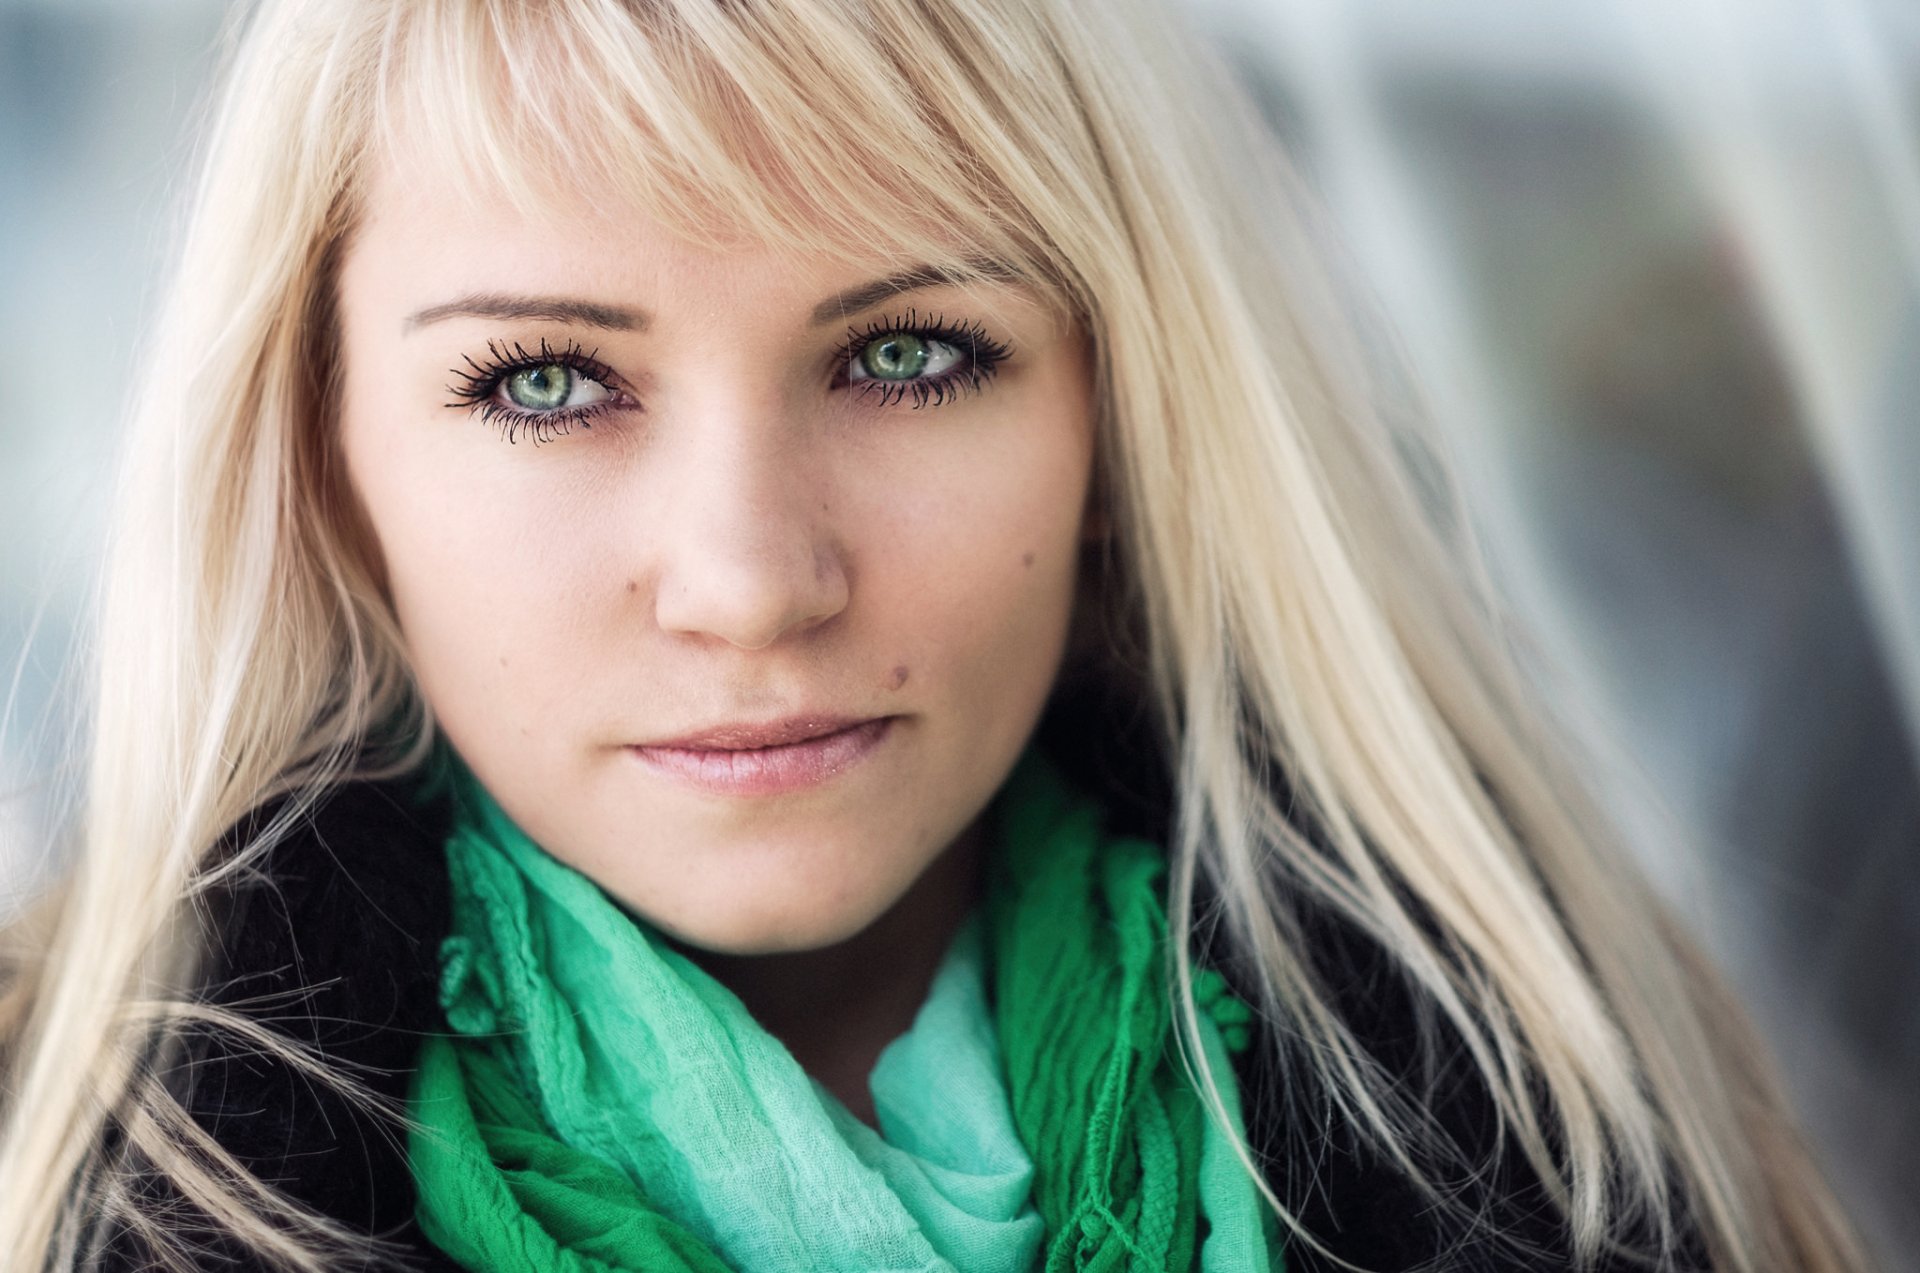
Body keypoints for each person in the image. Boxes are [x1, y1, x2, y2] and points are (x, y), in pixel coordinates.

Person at [0, 0, 1872, 1269]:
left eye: (910, 354)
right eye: (550, 382)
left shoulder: (1585, 1103)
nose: (748, 580)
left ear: (1120, 422)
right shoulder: (47, 1153)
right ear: (323, 455)